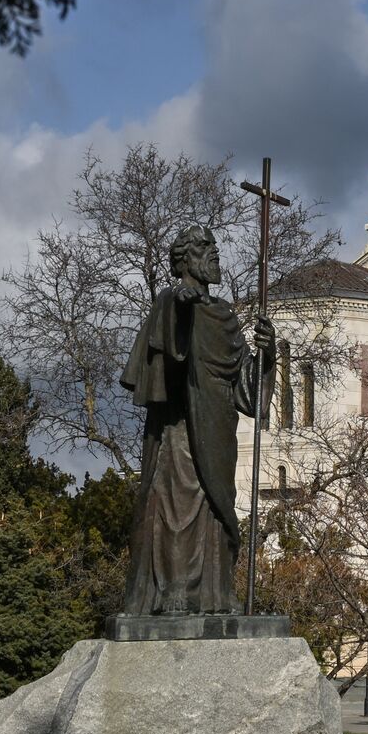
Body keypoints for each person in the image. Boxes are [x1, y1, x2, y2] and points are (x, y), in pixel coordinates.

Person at [119, 224, 274, 615]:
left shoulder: (224, 315)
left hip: (219, 426)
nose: (215, 253)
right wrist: (180, 309)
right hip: (181, 424)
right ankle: (174, 592)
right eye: (205, 247)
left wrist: (267, 356)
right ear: (185, 259)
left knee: (216, 507)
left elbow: (247, 394)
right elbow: (165, 362)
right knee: (179, 502)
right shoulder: (170, 302)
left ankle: (215, 595)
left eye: (215, 246)